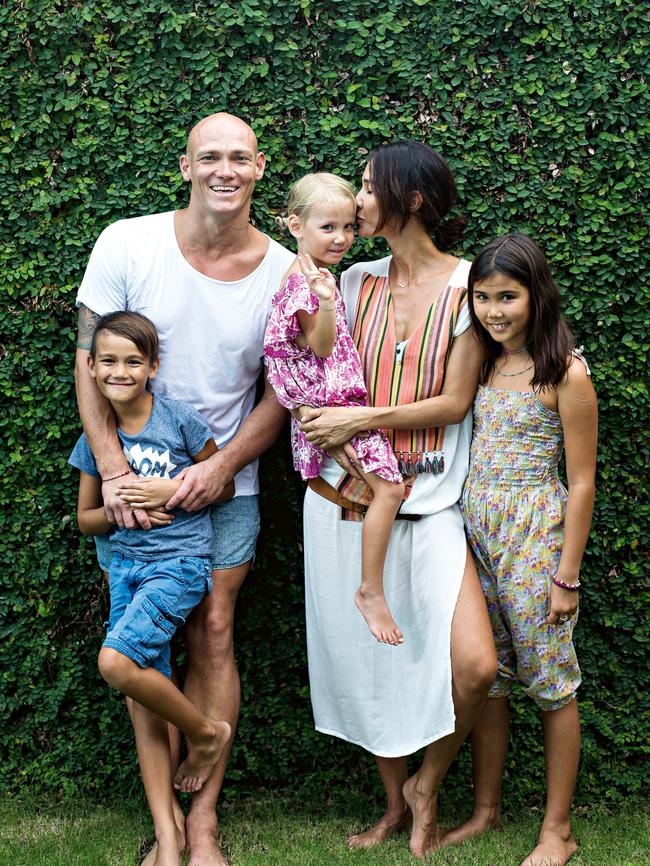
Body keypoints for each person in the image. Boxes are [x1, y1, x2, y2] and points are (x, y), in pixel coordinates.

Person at [74, 112, 294, 866]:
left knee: (216, 630)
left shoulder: (286, 271)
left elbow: (285, 392)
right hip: (132, 485)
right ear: (185, 166)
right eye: (210, 157)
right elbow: (86, 360)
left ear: (260, 167)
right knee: (145, 644)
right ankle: (165, 827)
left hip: (227, 480)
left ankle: (203, 827)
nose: (224, 169)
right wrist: (113, 472)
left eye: (239, 156)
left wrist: (222, 465)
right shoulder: (125, 242)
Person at [298, 141, 497, 858]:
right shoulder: (352, 279)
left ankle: (427, 785)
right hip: (341, 499)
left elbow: (452, 402)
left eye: (366, 186)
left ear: (408, 199)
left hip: (430, 500)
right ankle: (392, 805)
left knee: (475, 665)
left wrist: (361, 418)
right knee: (370, 669)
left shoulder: (469, 284)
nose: (356, 200)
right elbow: (319, 360)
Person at [443, 233, 598, 866]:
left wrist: (567, 574)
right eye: (482, 297)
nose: (494, 310)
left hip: (535, 538)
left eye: (507, 297)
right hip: (475, 532)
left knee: (551, 681)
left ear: (537, 295)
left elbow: (582, 479)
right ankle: (486, 809)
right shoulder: (480, 360)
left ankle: (557, 829)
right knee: (494, 681)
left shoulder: (565, 371)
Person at [70, 312, 236, 866]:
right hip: (125, 572)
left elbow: (224, 482)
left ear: (153, 367)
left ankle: (205, 731)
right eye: (108, 361)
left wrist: (167, 491)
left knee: (117, 663)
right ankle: (168, 836)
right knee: (141, 698)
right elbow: (85, 520)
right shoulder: (94, 439)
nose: (121, 371)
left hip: (179, 567)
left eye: (133, 361)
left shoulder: (178, 421)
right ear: (90, 367)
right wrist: (116, 509)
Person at [264, 173, 405, 645]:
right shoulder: (310, 286)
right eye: (328, 227)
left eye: (348, 226)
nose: (342, 238)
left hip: (322, 407)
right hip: (333, 407)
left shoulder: (303, 275)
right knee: (389, 491)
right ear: (295, 225)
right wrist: (326, 303)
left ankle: (369, 584)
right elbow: (322, 347)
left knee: (371, 489)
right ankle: (370, 590)